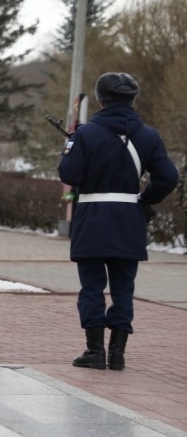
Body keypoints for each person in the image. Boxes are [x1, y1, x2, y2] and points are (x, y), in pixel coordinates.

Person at [58, 71, 178, 371]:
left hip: (92, 218)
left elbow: (69, 175)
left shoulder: (86, 134)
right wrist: (145, 199)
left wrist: (71, 147)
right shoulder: (149, 136)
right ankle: (118, 355)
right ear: (132, 98)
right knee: (124, 287)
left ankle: (94, 351)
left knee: (92, 287)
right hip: (129, 219)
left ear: (100, 99)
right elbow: (168, 178)